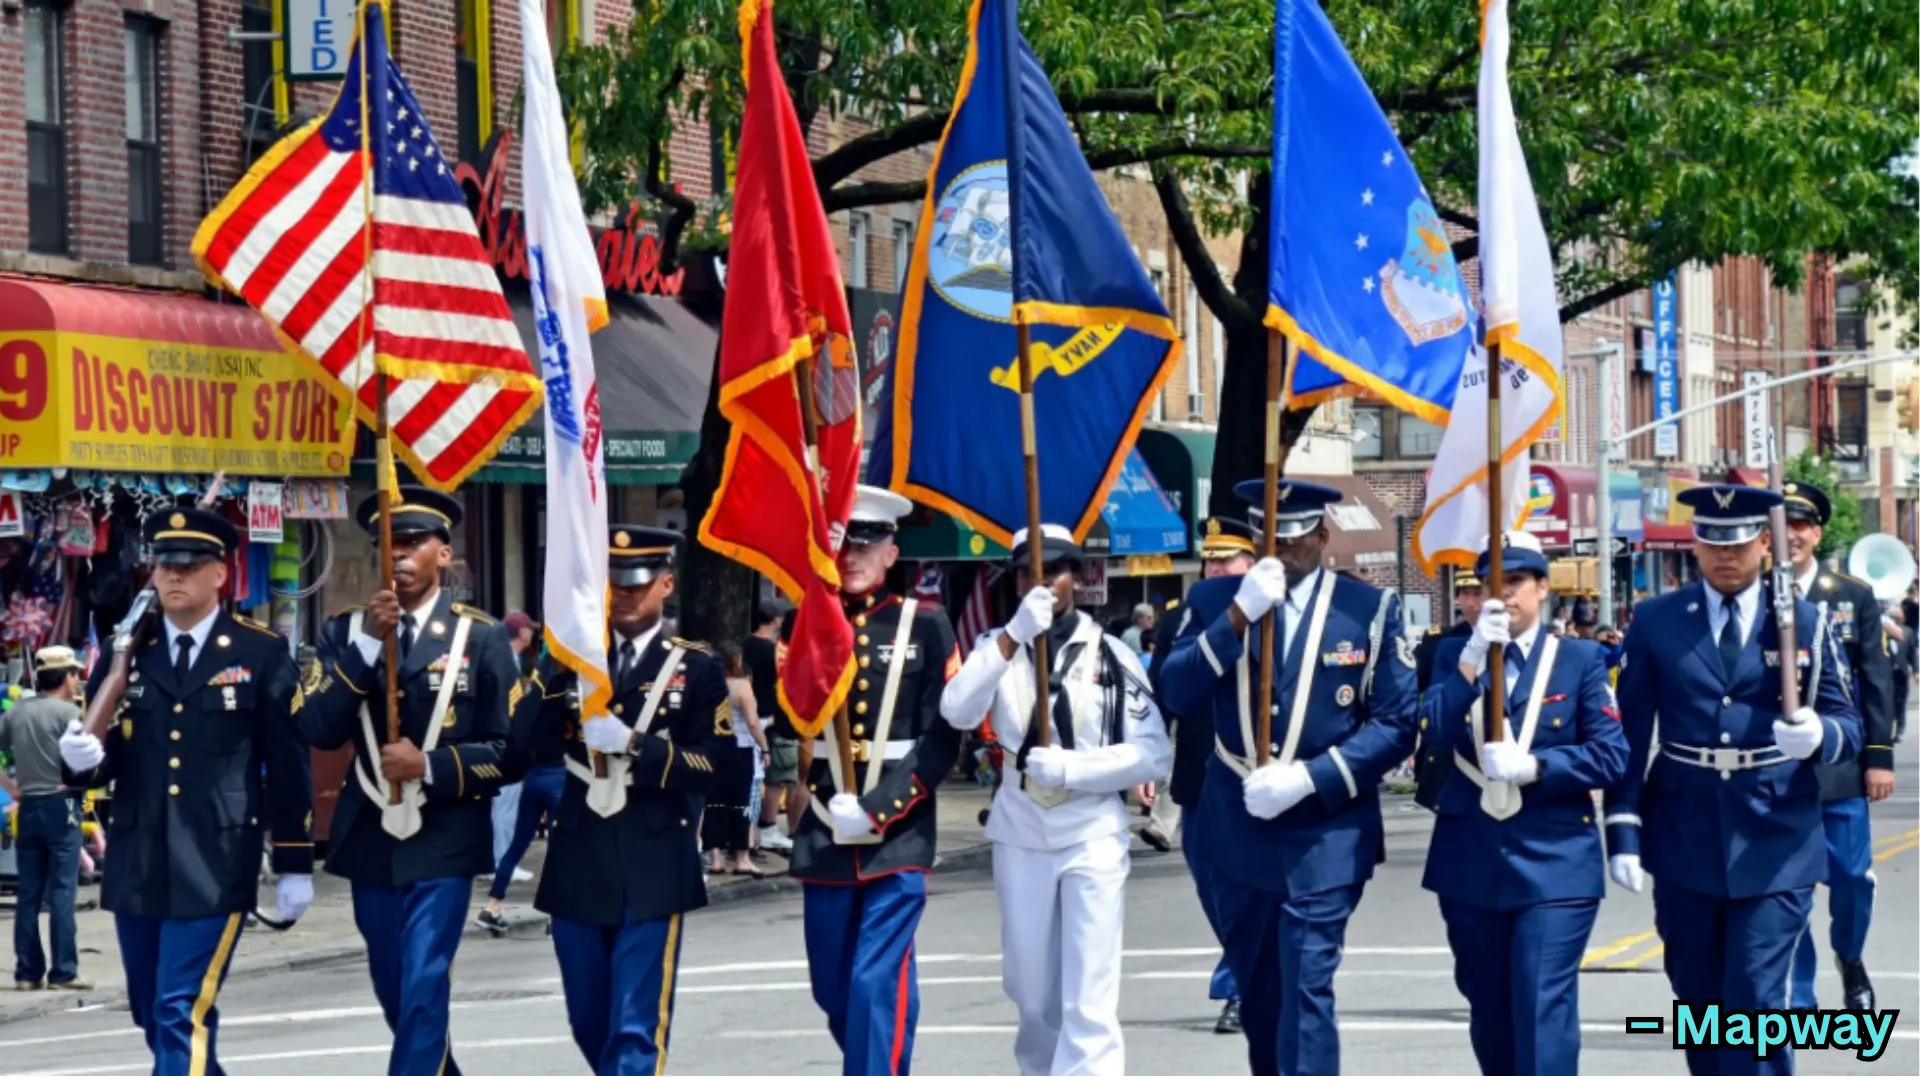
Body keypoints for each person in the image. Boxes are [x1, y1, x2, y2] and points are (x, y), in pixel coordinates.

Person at [1158, 479, 1418, 1076]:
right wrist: (1236, 616)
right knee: (1262, 995)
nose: (1280, 552)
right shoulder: (1210, 601)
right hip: (1236, 828)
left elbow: (1396, 723)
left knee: (1305, 983)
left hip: (1326, 830)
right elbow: (1174, 689)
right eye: (1266, 538)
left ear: (1322, 537)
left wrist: (1313, 779)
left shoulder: (1368, 610)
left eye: (1294, 541)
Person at [1603, 484, 1860, 1076]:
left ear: (1765, 543)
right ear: (1694, 545)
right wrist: (1622, 827)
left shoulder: (1801, 618)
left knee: (1755, 990)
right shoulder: (1657, 620)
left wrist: (1819, 734)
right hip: (1685, 826)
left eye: (1739, 544)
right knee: (1698, 995)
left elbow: (1849, 718)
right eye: (1712, 542)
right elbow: (1632, 733)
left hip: (1775, 829)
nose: (1725, 556)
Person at [58, 508, 313, 1075]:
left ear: (221, 574)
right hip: (139, 859)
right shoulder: (128, 652)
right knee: (151, 1011)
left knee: (180, 1008)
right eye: (164, 565)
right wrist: (79, 764)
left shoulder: (259, 653)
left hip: (216, 863)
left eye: (189, 565)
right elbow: (101, 760)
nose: (172, 576)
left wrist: (295, 859)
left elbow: (289, 765)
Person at [300, 487, 517, 1075]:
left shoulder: (482, 637)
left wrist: (431, 767)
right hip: (371, 835)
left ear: (444, 556)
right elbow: (319, 728)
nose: (399, 555)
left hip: (444, 835)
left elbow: (512, 750)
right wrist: (370, 642)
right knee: (395, 984)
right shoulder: (346, 633)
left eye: (415, 543)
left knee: (424, 977)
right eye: (389, 544)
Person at [942, 523, 1171, 1076]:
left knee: (1088, 995)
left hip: (1091, 829)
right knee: (1032, 991)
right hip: (1021, 831)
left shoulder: (1112, 655)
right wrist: (1011, 638)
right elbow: (957, 710)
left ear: (1077, 578)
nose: (1040, 583)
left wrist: (1077, 768)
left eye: (1053, 571)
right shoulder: (993, 649)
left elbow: (1154, 754)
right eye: (1027, 573)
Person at [508, 525, 732, 1074]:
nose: (625, 593)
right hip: (578, 860)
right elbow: (520, 747)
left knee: (635, 1029)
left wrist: (637, 744)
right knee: (589, 1019)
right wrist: (556, 668)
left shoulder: (695, 667)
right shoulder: (574, 660)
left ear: (666, 585)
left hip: (653, 861)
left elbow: (716, 767)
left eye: (638, 582)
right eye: (616, 584)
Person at [1421, 532, 1627, 1074]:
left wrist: (1538, 767)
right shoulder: (1454, 654)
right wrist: (1468, 662)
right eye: (1489, 585)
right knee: (1489, 1008)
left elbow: (1611, 757)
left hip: (1554, 858)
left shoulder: (1578, 659)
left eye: (1514, 583)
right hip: (1470, 858)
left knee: (1541, 1002)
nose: (1502, 596)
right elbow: (1433, 731)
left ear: (1541, 589)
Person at [786, 486, 961, 1075]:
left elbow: (942, 738)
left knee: (873, 981)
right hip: (825, 830)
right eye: (844, 544)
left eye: (868, 544)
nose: (853, 557)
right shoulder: (807, 622)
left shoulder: (927, 624)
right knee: (834, 987)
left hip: (897, 833)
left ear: (892, 551)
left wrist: (882, 806)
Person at [1776, 481, 1896, 1013]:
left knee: (1851, 878)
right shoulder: (1756, 594)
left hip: (1840, 764)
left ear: (1816, 532)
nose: (1791, 536)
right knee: (1789, 883)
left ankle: (1850, 958)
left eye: (1800, 526)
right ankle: (1800, 991)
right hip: (1776, 768)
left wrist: (1878, 757)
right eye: (1780, 527)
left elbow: (1875, 679)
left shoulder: (1852, 594)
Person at [1150, 515, 1259, 1036]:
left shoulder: (1273, 614)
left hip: (1257, 779)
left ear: (1252, 565)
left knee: (1249, 886)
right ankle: (1247, 968)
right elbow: (1159, 697)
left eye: (1227, 558)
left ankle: (1241, 987)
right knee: (1214, 889)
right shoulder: (1179, 618)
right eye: (1210, 558)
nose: (1215, 567)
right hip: (1198, 775)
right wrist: (1149, 762)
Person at [4, 646, 90, 992]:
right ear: (65, 677)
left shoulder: (17, 712)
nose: (78, 680)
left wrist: (11, 787)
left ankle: (27, 972)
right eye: (75, 674)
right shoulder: (69, 713)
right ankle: (63, 972)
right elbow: (85, 761)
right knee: (62, 892)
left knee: (28, 893)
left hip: (28, 807)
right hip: (61, 804)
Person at [1413, 573, 1483, 809]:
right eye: (1465, 594)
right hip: (1451, 757)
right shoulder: (1440, 642)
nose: (1471, 603)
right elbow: (1413, 691)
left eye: (1478, 593)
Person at [705, 642, 769, 878]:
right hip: (740, 748)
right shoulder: (742, 685)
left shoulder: (708, 683)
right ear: (735, 660)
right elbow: (752, 723)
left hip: (714, 748)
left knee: (714, 804)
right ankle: (741, 858)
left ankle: (716, 858)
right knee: (740, 804)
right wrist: (764, 746)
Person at [744, 601, 798, 855]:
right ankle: (768, 826)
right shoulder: (775, 652)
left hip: (746, 718)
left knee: (754, 777)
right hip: (774, 719)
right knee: (778, 776)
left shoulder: (744, 645)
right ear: (776, 621)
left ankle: (750, 828)